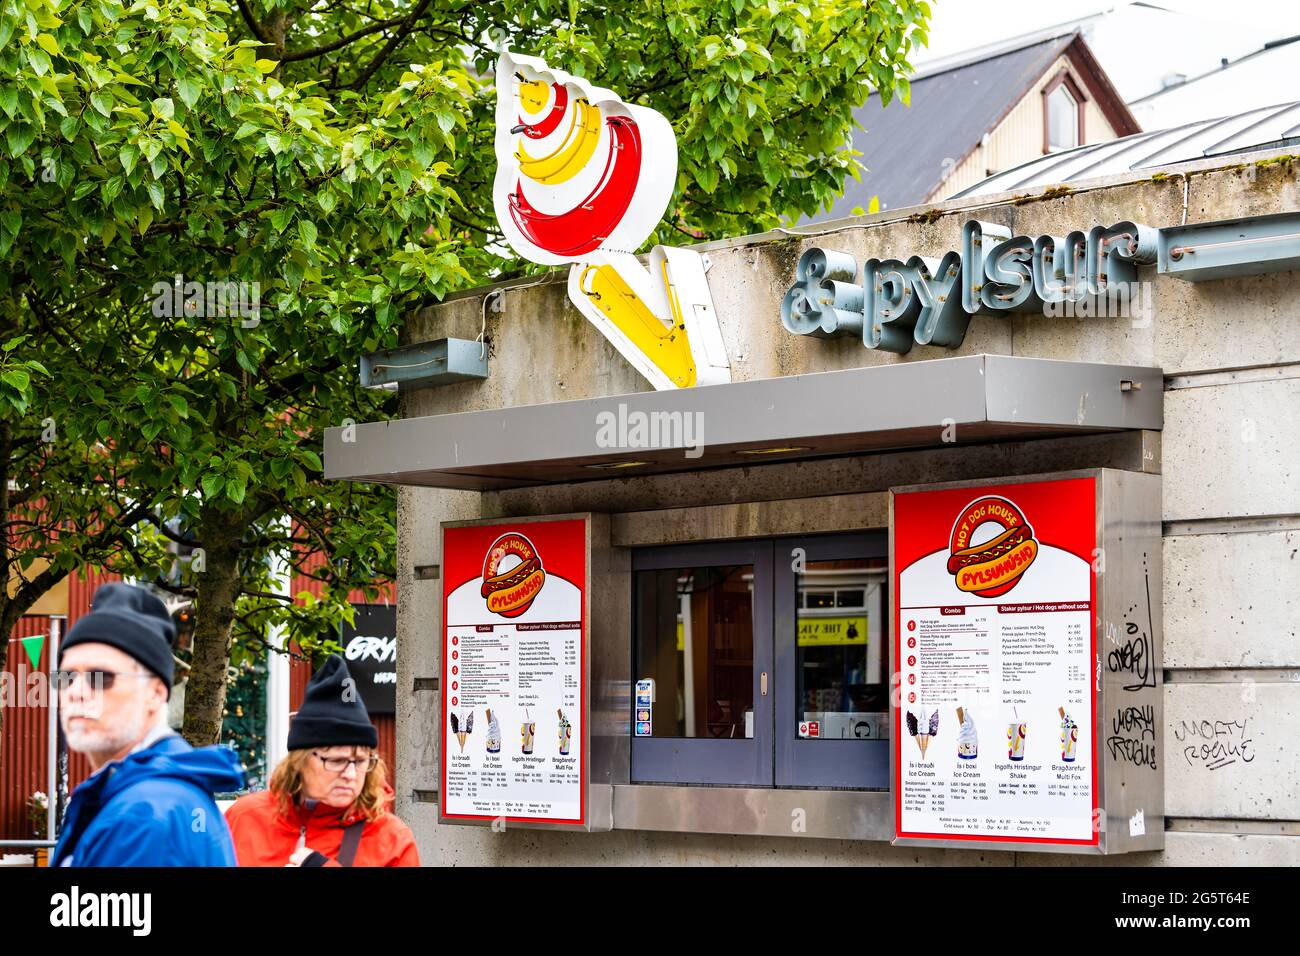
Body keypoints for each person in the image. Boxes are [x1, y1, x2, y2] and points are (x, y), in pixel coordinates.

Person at [50, 583, 245, 867]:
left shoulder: (147, 811)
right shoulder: (147, 793)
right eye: (65, 677)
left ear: (155, 693)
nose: (76, 690)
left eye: (102, 676)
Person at [225, 654, 419, 867]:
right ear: (300, 760)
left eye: (361, 761)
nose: (351, 775)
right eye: (336, 761)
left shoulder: (392, 839)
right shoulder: (243, 819)